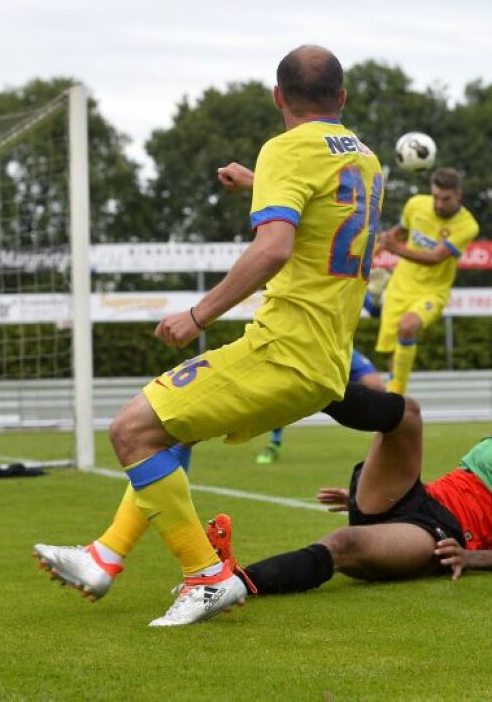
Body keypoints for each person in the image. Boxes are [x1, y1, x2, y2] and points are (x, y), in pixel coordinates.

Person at [33, 45, 416, 627]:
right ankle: (104, 556)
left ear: (277, 97)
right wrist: (261, 183)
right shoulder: (365, 160)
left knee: (131, 429)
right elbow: (324, 211)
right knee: (170, 430)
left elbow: (276, 246)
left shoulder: (286, 148)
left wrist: (198, 315)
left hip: (280, 353)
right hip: (324, 364)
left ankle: (207, 576)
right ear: (341, 98)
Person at [215, 326, 492, 598]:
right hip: (417, 502)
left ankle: (231, 583)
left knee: (343, 544)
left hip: (439, 536)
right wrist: (369, 490)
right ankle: (307, 385)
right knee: (407, 414)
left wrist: (472, 558)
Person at [374, 167, 479, 395]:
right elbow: (399, 233)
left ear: (458, 195)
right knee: (392, 349)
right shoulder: (416, 204)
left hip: (433, 292)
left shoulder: (467, 225)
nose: (439, 204)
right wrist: (373, 251)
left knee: (408, 326)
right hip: (399, 287)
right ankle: (394, 398)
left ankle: (397, 398)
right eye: (436, 197)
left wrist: (395, 250)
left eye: (446, 199)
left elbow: (434, 258)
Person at [256, 348, 386, 464]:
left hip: (338, 347)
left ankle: (387, 444)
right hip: (305, 349)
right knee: (285, 391)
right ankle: (274, 443)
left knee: (377, 386)